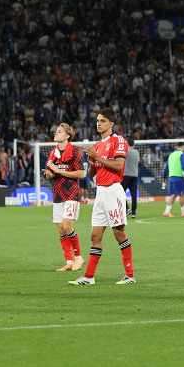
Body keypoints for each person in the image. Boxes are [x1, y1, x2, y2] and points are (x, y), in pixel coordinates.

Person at [69, 108, 135, 285]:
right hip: (100, 193)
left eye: (103, 120)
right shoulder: (97, 145)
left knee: (119, 233)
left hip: (113, 191)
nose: (98, 123)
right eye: (97, 120)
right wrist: (92, 163)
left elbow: (119, 165)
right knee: (94, 236)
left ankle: (130, 275)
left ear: (111, 124)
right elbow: (92, 174)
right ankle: (89, 277)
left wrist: (97, 157)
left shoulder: (118, 141)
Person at [44, 123, 85, 272]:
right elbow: (51, 174)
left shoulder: (75, 152)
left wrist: (57, 171)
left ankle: (78, 257)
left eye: (59, 132)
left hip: (71, 194)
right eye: (56, 131)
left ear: (67, 136)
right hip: (58, 195)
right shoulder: (53, 153)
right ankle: (68, 261)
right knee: (61, 229)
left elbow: (81, 174)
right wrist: (50, 174)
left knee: (67, 226)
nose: (56, 133)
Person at [162, 143, 184, 217]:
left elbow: (166, 168)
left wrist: (164, 177)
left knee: (174, 194)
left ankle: (167, 211)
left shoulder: (171, 155)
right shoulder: (182, 154)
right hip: (179, 177)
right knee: (182, 194)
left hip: (171, 177)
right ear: (183, 147)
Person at [121, 137, 140, 218]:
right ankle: (133, 213)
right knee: (134, 195)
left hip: (126, 175)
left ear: (127, 144)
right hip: (134, 175)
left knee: (120, 193)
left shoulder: (126, 151)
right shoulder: (137, 152)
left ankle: (127, 209)